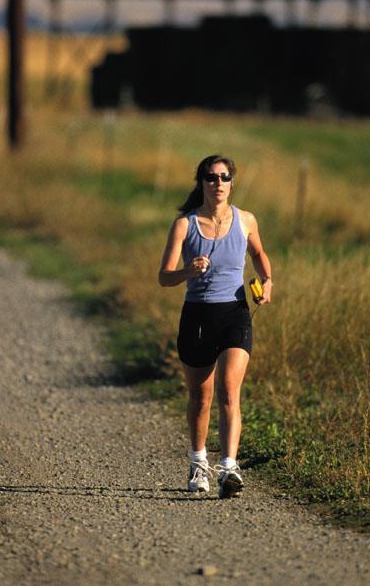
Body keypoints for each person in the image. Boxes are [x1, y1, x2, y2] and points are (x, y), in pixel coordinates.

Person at [158, 154, 272, 498]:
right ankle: (198, 465)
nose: (217, 183)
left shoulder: (246, 220)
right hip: (197, 316)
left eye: (224, 177)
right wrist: (188, 272)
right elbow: (164, 277)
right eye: (211, 177)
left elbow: (258, 254)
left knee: (229, 390)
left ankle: (229, 468)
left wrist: (267, 281)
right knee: (200, 397)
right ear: (201, 182)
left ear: (232, 182)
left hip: (235, 312)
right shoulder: (184, 225)